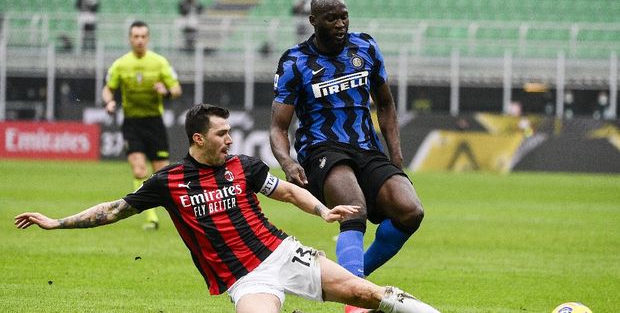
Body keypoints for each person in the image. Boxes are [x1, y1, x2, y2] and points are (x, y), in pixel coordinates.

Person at [14, 104, 440, 313]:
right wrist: (56, 223)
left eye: (230, 132)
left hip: (283, 252)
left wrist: (321, 212)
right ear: (198, 139)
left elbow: (288, 192)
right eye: (221, 134)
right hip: (245, 278)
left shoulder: (245, 167)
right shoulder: (169, 181)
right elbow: (112, 210)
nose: (230, 140)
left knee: (365, 294)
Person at [270, 0, 426, 313]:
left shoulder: (365, 47)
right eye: (332, 18)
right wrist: (286, 161)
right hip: (321, 149)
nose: (340, 24)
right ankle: (357, 301)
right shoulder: (295, 61)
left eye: (344, 16)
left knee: (410, 211)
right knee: (355, 210)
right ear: (313, 22)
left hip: (367, 148)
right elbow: (278, 127)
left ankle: (353, 280)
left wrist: (395, 157)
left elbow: (385, 104)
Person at [102, 20, 182, 230]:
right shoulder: (121, 64)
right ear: (130, 39)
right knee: (139, 170)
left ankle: (180, 217)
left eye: (143, 36)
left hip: (154, 123)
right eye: (135, 36)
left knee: (162, 175)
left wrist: (164, 90)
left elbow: (176, 89)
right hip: (132, 123)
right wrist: (109, 101)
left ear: (148, 39)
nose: (139, 40)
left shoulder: (159, 62)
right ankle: (151, 218)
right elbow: (108, 88)